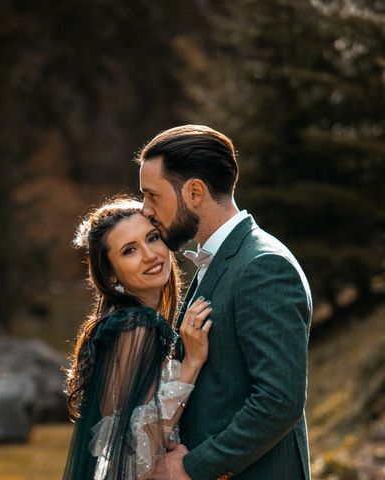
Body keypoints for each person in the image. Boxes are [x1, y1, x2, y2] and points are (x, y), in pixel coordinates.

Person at [138, 125, 312, 480]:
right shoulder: (220, 260)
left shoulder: (263, 266)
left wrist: (192, 468)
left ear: (195, 191)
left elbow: (279, 401)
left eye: (152, 196)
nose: (145, 210)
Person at [62, 197, 213, 480]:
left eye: (152, 238)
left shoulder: (122, 322)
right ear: (110, 273)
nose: (150, 255)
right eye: (130, 250)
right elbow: (139, 443)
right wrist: (192, 362)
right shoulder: (138, 325)